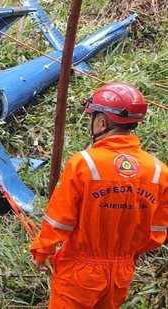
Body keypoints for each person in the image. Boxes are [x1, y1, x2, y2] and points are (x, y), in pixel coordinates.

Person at [30, 82, 167, 308]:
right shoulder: (158, 171)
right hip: (121, 272)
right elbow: (157, 231)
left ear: (102, 122)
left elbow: (59, 219)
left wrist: (41, 251)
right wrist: (127, 254)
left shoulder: (84, 164)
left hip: (80, 272)